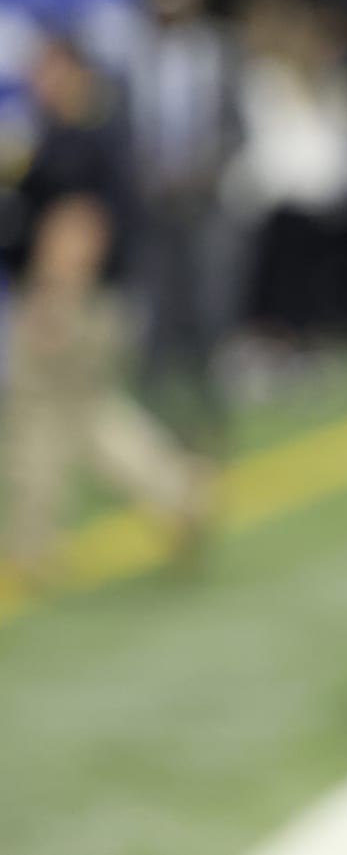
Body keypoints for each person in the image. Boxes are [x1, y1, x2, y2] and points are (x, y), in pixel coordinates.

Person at [1, 30, 209, 581]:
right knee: (83, 415)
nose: (33, 80)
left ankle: (32, 545)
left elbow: (77, 226)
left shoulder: (75, 139)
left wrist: (51, 299)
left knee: (39, 415)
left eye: (44, 69)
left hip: (69, 298)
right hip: (97, 299)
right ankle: (177, 491)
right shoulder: (96, 131)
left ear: (72, 71)